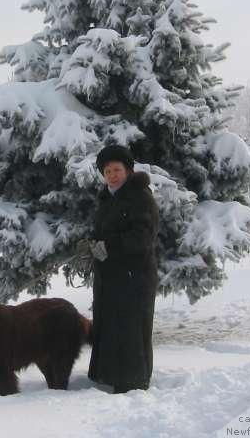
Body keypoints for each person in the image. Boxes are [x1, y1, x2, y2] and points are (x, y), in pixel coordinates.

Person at [87, 144, 159, 394]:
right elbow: (101, 231)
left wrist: (109, 246)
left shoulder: (140, 196)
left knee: (130, 328)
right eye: (107, 171)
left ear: (128, 170)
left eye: (117, 169)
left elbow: (143, 236)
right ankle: (108, 375)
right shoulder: (107, 198)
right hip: (110, 278)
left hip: (134, 276)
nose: (112, 175)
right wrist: (92, 244)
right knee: (110, 326)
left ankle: (132, 382)